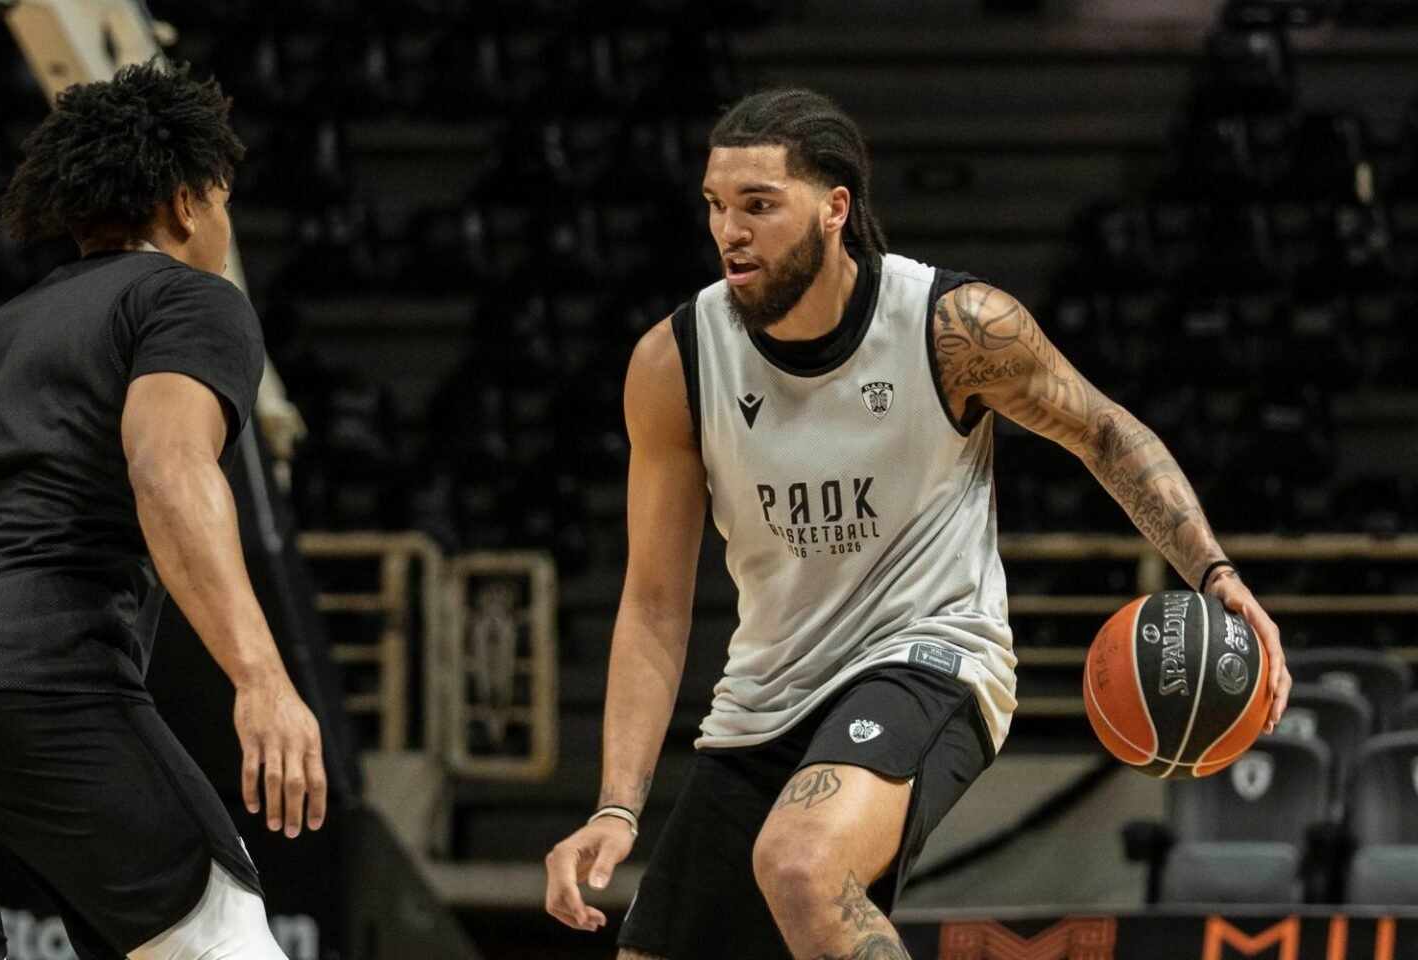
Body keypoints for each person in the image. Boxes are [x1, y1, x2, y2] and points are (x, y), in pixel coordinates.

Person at [544, 88, 1293, 960]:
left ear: (834, 208)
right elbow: (653, 604)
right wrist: (616, 805)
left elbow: (1104, 431)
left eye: (758, 205)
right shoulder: (675, 362)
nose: (729, 232)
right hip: (766, 694)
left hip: (931, 655)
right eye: (715, 205)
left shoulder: (953, 327)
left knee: (801, 865)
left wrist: (1214, 571)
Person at [0, 63, 325, 960]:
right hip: (34, 663)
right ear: (186, 204)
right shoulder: (190, 298)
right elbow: (166, 465)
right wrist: (262, 679)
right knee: (219, 938)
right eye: (224, 202)